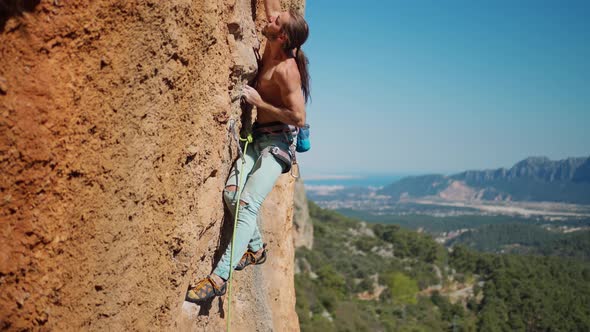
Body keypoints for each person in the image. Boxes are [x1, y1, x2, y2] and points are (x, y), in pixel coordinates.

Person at [186, 0, 310, 302]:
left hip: (277, 146)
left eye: (276, 20)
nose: (269, 19)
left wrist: (260, 103)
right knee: (231, 194)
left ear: (281, 36)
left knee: (247, 201)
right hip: (257, 139)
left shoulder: (287, 70)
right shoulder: (275, 36)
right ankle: (256, 248)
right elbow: (270, 6)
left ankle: (218, 279)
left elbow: (299, 117)